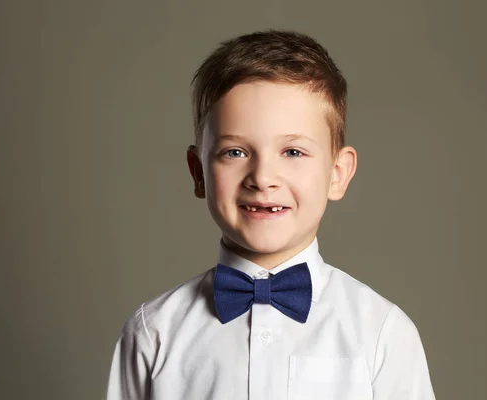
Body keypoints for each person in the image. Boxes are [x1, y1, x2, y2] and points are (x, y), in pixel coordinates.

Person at [105, 29, 436, 400]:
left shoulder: (382, 332)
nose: (262, 178)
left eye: (293, 152)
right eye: (235, 152)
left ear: (337, 174)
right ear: (198, 172)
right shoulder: (153, 334)